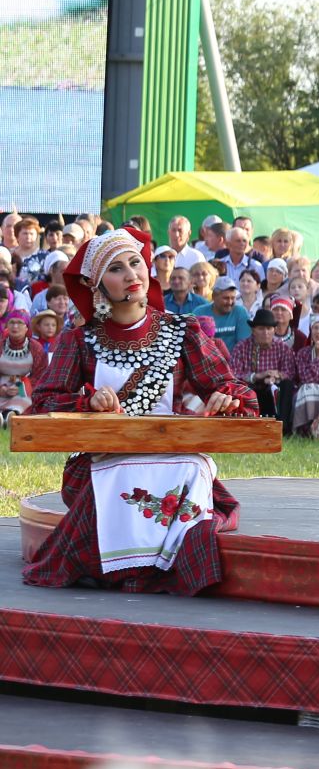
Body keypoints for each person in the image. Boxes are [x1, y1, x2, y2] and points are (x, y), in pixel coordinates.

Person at [22, 229, 258, 594]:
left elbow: (235, 390)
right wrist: (88, 403)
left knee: (192, 466)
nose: (131, 274)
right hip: (98, 460)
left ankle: (161, 569)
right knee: (126, 473)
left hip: (167, 455)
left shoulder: (182, 331)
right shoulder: (79, 340)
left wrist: (228, 400)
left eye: (135, 263)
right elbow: (43, 403)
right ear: (97, 285)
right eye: (117, 269)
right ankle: (138, 571)